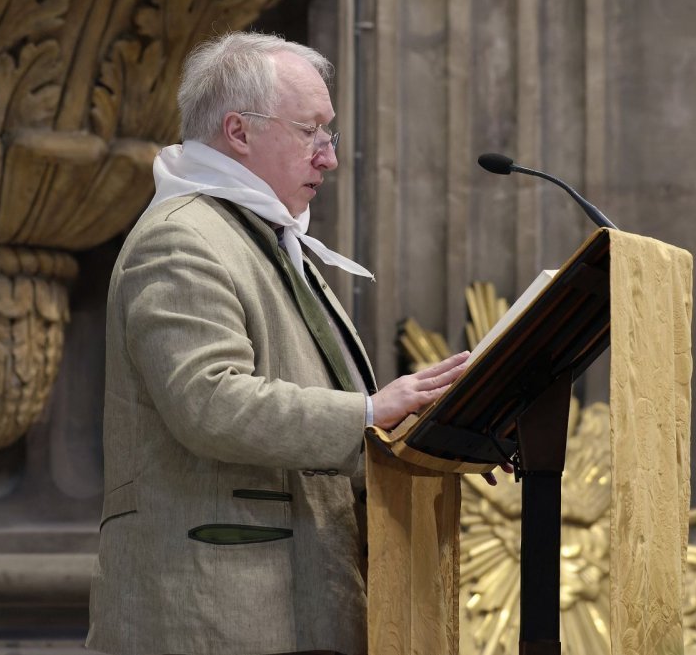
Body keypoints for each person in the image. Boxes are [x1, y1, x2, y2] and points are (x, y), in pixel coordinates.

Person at [86, 32, 470, 655]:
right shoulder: (182, 240)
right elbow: (208, 402)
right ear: (238, 132)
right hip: (218, 609)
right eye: (310, 132)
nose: (329, 158)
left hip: (295, 598)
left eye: (330, 135)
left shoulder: (260, 238)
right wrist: (372, 411)